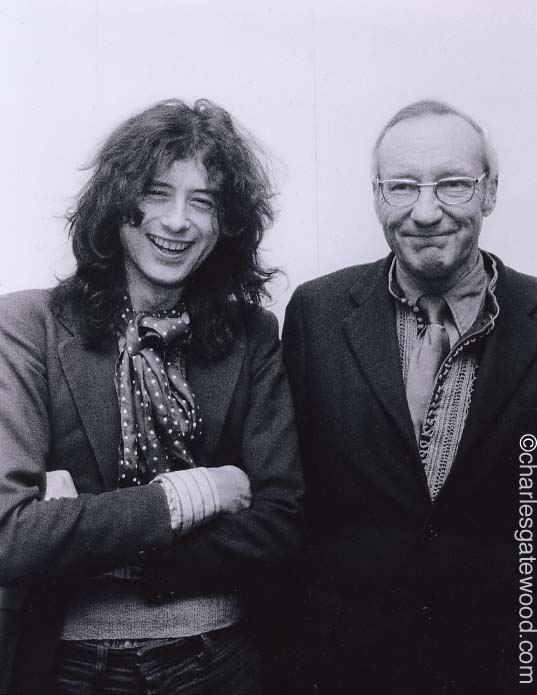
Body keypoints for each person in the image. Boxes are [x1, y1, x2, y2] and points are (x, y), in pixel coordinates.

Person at [0, 98, 303, 694]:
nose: (177, 221)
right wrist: (199, 493)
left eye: (203, 201)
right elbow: (12, 538)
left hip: (219, 662)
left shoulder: (252, 335)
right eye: (158, 194)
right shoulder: (27, 324)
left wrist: (86, 533)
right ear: (116, 206)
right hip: (68, 670)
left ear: (224, 226)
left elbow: (281, 522)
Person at [283, 99, 535, 694]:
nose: (426, 212)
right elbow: (295, 502)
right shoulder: (316, 313)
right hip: (345, 668)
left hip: (503, 667)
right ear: (376, 197)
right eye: (401, 186)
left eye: (452, 184)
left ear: (490, 191)